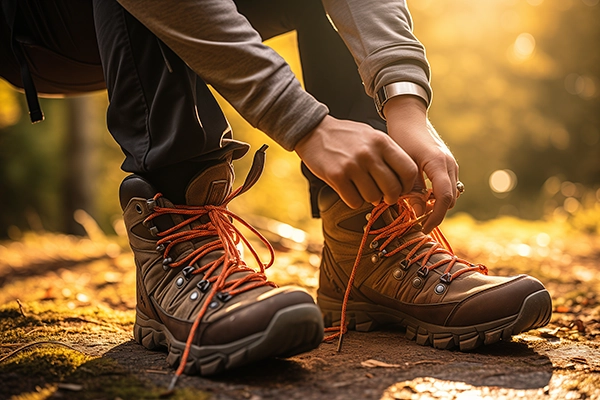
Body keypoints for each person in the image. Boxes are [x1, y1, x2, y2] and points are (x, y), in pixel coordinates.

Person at [1, 0, 552, 384]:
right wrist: (306, 125)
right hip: (45, 23)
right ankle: (175, 223)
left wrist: (403, 100)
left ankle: (365, 242)